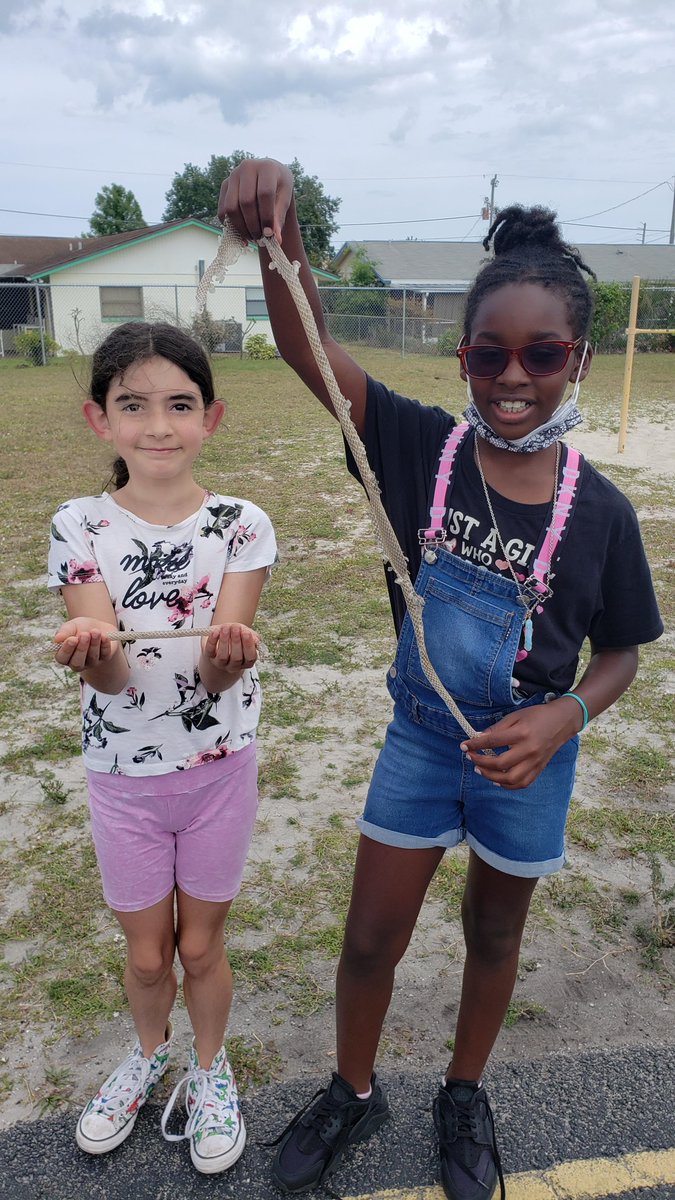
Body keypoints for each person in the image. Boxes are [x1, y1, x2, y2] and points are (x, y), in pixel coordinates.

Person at [219, 161, 663, 1200]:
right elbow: (312, 354)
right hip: (422, 740)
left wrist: (563, 718)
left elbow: (623, 654)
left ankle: (463, 1093)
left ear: (579, 359)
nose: (514, 377)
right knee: (371, 936)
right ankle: (354, 1087)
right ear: (462, 357)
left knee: (492, 931)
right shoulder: (424, 446)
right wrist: (283, 230)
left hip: (531, 759)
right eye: (489, 353)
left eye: (543, 354)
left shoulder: (603, 515)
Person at [48, 322, 277, 1175]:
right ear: (98, 419)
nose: (157, 426)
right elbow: (108, 680)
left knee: (198, 948)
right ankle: (146, 1058)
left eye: (179, 405)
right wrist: (93, 650)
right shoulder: (77, 524)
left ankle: (209, 1073)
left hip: (219, 773)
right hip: (123, 780)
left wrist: (227, 657)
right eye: (132, 405)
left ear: (210, 418)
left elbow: (219, 677)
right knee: (147, 953)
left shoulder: (240, 524)